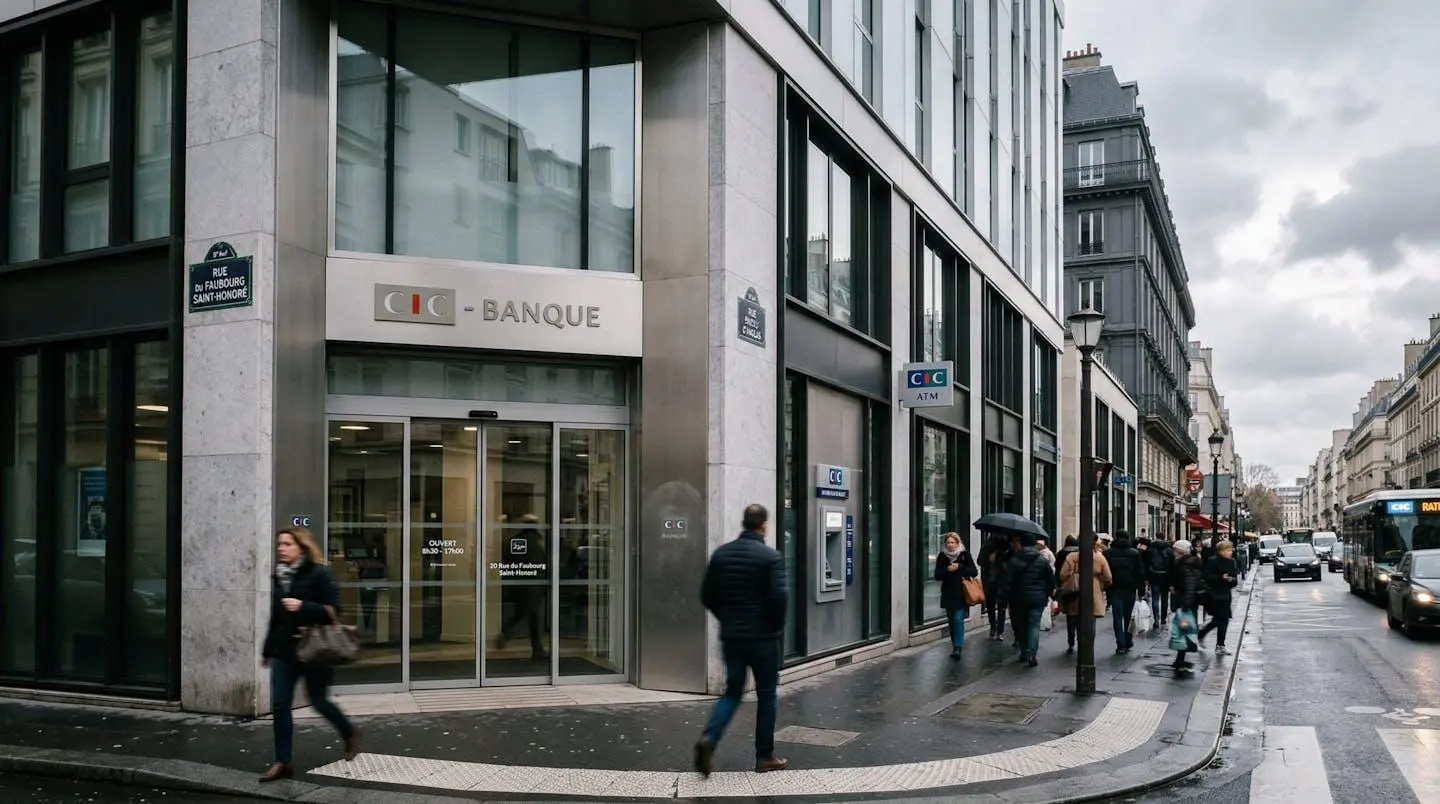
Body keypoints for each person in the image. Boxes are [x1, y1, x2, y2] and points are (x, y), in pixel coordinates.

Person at [695, 504, 789, 776]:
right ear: (763, 526)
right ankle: (764, 756)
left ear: (744, 523)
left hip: (733, 637)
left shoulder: (721, 555)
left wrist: (726, 617)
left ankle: (709, 739)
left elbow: (706, 595)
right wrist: (773, 627)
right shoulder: (770, 557)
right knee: (767, 694)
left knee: (733, 692)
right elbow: (779, 598)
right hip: (762, 639)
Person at [260, 527, 359, 782]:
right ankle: (283, 761)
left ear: (301, 548)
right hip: (285, 651)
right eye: (279, 544)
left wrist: (304, 606)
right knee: (281, 704)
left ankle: (348, 731)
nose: (281, 548)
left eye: (287, 544)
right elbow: (276, 617)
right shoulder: (278, 577)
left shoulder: (319, 573)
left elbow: (334, 609)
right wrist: (267, 650)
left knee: (318, 701)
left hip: (314, 650)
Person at [1006, 534, 1055, 667]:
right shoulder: (1042, 560)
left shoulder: (1014, 560)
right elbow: (1050, 580)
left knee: (1022, 626)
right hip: (1038, 599)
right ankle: (1032, 653)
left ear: (1020, 544)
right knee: (1034, 626)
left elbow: (1008, 582)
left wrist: (1007, 597)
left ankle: (1024, 652)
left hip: (1019, 599)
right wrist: (1048, 594)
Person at [1059, 537, 1112, 656]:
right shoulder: (1099, 557)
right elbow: (1108, 577)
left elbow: (1062, 575)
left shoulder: (1072, 557)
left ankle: (1072, 641)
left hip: (1075, 591)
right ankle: (1088, 643)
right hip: (1093, 592)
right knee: (1090, 620)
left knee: (1073, 617)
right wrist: (1101, 584)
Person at [933, 532, 979, 660]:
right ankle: (955, 645)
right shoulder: (942, 556)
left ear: (958, 543)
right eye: (948, 543)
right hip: (948, 593)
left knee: (958, 619)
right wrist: (947, 570)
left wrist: (959, 567)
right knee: (951, 621)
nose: (950, 545)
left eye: (952, 542)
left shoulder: (964, 555)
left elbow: (974, 572)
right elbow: (937, 575)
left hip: (962, 592)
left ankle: (958, 647)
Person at [1103, 531, 1146, 654]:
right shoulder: (1134, 553)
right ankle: (1128, 640)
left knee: (1117, 617)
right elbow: (1140, 573)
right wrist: (1141, 590)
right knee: (1129, 617)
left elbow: (1106, 572)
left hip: (1115, 588)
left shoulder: (1108, 553)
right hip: (1130, 588)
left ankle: (1120, 643)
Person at [1168, 540, 1206, 673]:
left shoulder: (1185, 566)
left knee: (1183, 632)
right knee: (1182, 632)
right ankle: (1180, 659)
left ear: (1180, 551)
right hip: (1187, 602)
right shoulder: (1186, 564)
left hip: (1187, 603)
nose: (1173, 552)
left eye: (1174, 550)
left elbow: (1190, 586)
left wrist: (1185, 604)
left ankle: (1180, 659)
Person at [1198, 541, 1240, 655]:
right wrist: (1221, 578)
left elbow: (1235, 579)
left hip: (1225, 594)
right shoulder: (1213, 561)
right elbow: (1207, 577)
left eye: (1231, 550)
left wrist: (1231, 580)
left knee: (1223, 620)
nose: (1230, 552)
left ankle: (1213, 640)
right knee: (1221, 619)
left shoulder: (1232, 562)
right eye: (1227, 550)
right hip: (1214, 594)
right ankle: (1218, 644)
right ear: (1220, 551)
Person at [980, 534, 1013, 641]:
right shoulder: (987, 548)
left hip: (1001, 582)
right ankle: (995, 628)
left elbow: (1008, 566)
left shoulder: (1007, 551)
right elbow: (980, 561)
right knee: (992, 607)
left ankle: (998, 630)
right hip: (991, 582)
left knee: (1000, 607)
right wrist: (990, 558)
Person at [1054, 535, 1080, 651]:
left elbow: (1059, 571)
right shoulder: (1081, 553)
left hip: (1067, 585)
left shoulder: (1061, 553)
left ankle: (1071, 641)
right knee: (1080, 614)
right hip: (1081, 586)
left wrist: (1059, 584)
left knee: (1070, 615)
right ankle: (1081, 639)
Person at [1146, 535, 1174, 627]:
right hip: (1166, 576)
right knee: (1165, 598)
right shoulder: (1169, 550)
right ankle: (1163, 619)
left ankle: (1156, 619)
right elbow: (1172, 564)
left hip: (1154, 575)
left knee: (1155, 598)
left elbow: (1147, 563)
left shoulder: (1150, 549)